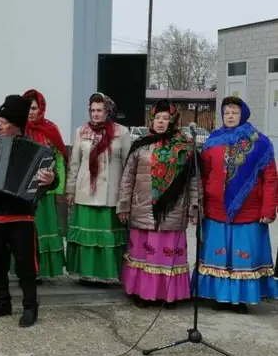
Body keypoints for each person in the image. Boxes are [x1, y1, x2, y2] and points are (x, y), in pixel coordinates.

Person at [0, 94, 57, 328]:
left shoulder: (40, 151)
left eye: (4, 122)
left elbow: (51, 181)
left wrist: (50, 179)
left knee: (26, 264)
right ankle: (2, 302)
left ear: (16, 124)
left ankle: (30, 306)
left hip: (22, 216)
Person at [194, 96, 278, 313]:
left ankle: (240, 300)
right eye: (227, 112)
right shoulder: (213, 140)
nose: (230, 116)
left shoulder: (260, 143)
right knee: (217, 255)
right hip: (215, 210)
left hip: (248, 212)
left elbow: (270, 179)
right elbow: (203, 176)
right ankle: (218, 296)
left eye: (234, 112)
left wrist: (269, 209)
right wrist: (199, 206)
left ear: (243, 114)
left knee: (242, 257)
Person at [117, 100, 197, 307]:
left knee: (165, 253)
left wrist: (194, 207)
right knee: (142, 253)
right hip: (142, 208)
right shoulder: (141, 145)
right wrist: (124, 205)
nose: (161, 122)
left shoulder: (185, 146)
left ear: (173, 121)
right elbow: (128, 178)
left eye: (165, 118)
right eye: (157, 118)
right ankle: (142, 293)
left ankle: (167, 295)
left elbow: (194, 181)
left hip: (173, 210)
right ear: (152, 120)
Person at [66, 93, 131, 285]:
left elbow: (128, 166)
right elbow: (75, 163)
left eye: (99, 110)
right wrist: (70, 189)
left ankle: (108, 274)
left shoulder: (122, 132)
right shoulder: (81, 132)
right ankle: (86, 273)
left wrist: (126, 196)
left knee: (108, 236)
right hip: (86, 191)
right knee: (87, 235)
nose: (95, 114)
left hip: (110, 194)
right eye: (92, 110)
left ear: (108, 111)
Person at [20, 89, 67, 280]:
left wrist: (60, 188)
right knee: (25, 231)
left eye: (33, 108)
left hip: (46, 192)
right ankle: (26, 269)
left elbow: (60, 161)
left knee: (45, 229)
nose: (30, 112)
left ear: (41, 108)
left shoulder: (51, 129)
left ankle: (43, 271)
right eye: (27, 108)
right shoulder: (18, 129)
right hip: (23, 192)